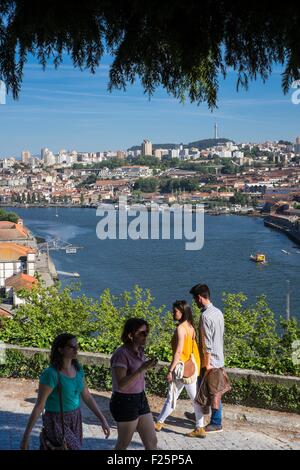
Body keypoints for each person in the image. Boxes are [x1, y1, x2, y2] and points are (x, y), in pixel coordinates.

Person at [20, 333, 110, 450]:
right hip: (56, 420)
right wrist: (26, 437)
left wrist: (102, 419)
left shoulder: (78, 370)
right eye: (71, 347)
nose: (76, 349)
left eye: (77, 346)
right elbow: (39, 406)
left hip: (76, 418)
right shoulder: (51, 374)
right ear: (61, 350)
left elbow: (87, 396)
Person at [154, 300, 206, 438]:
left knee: (172, 397)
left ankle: (159, 422)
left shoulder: (180, 329)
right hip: (191, 367)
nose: (173, 313)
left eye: (175, 311)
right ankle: (200, 427)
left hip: (180, 368)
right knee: (194, 399)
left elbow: (178, 352)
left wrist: (170, 370)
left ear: (182, 312)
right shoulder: (191, 327)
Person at [110, 318, 158, 450]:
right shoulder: (121, 354)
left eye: (146, 333)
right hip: (125, 401)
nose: (145, 336)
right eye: (142, 333)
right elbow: (121, 384)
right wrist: (142, 368)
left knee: (152, 442)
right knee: (123, 444)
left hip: (140, 398)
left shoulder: (139, 351)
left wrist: (145, 367)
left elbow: (137, 374)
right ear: (130, 335)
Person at [189, 284, 225, 433]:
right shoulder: (218, 312)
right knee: (211, 390)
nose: (195, 303)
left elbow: (207, 344)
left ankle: (216, 422)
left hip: (210, 361)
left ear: (199, 298)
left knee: (211, 391)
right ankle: (202, 413)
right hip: (219, 357)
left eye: (195, 300)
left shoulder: (205, 316)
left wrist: (207, 364)